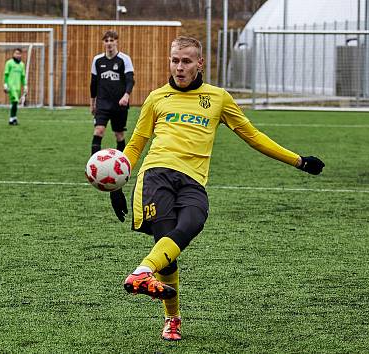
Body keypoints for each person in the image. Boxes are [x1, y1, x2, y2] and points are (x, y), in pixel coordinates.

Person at [110, 36, 325, 341]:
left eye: (186, 61)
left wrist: (298, 161)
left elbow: (252, 135)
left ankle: (142, 272)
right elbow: (136, 143)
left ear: (200, 63)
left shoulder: (218, 97)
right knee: (168, 253)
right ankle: (172, 318)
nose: (179, 67)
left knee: (192, 222)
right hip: (156, 175)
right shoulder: (157, 98)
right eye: (174, 60)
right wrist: (118, 180)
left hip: (193, 180)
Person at [90, 30, 135, 155]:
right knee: (98, 130)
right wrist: (92, 103)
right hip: (102, 103)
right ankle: (93, 165)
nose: (109, 43)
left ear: (116, 41)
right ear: (103, 43)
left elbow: (130, 80)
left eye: (112, 40)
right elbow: (93, 83)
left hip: (119, 104)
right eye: (106, 41)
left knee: (119, 134)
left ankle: (122, 163)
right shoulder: (97, 60)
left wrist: (126, 95)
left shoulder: (124, 59)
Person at [3, 48, 27, 126]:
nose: (17, 55)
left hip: (18, 87)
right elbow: (6, 75)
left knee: (15, 103)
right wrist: (5, 84)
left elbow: (23, 77)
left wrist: (25, 85)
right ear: (13, 54)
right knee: (16, 101)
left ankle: (13, 119)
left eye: (19, 54)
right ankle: (12, 118)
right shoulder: (9, 63)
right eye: (16, 53)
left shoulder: (22, 64)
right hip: (11, 86)